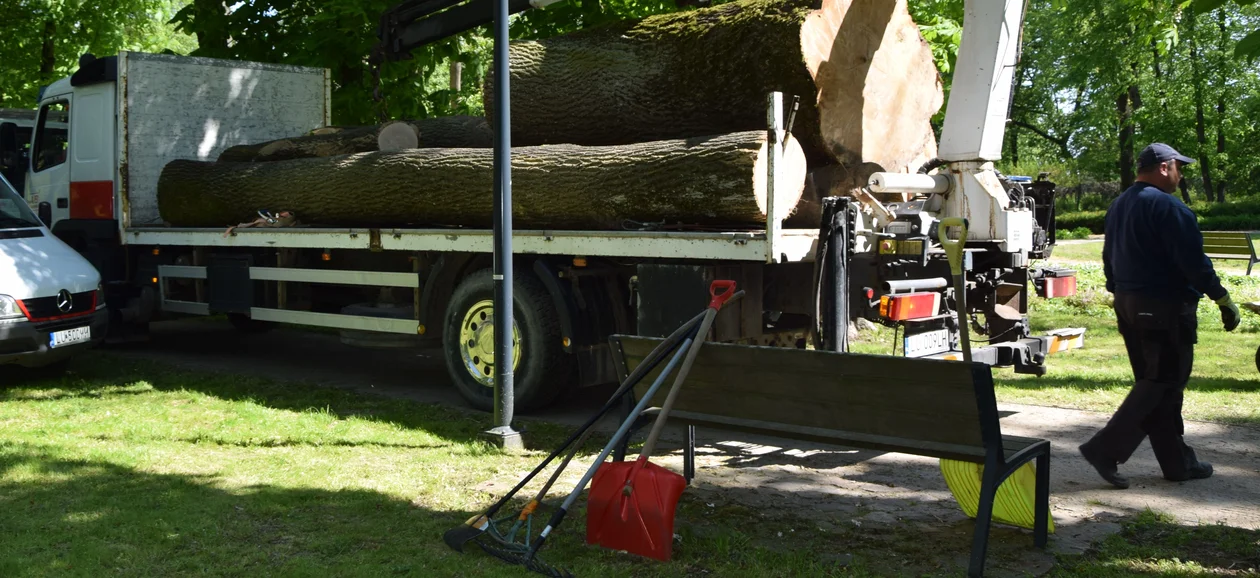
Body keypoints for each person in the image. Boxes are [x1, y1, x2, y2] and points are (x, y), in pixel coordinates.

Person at [1078, 142, 1241, 489]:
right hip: (1164, 306)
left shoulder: (1119, 205)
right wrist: (1222, 298)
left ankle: (1177, 463)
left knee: (1155, 386)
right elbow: (1194, 263)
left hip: (1127, 303)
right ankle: (1104, 450)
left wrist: (1121, 292)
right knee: (1164, 382)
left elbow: (1109, 257)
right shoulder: (1169, 207)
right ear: (1165, 167)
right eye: (1179, 168)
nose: (1181, 175)